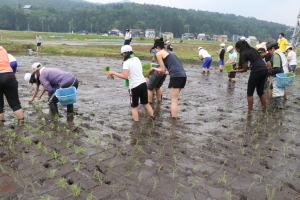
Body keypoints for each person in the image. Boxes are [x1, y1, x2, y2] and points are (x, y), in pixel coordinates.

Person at [108, 45, 154, 121]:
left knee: (134, 107)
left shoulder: (126, 62)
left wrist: (113, 73)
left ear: (123, 54)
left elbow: (125, 76)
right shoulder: (137, 59)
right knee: (146, 103)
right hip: (143, 83)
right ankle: (152, 117)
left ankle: (136, 124)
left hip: (135, 86)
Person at [149, 38, 187, 119]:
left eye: (155, 49)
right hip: (183, 76)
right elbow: (168, 71)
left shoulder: (159, 54)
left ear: (157, 47)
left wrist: (154, 69)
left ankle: (173, 120)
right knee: (175, 99)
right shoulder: (170, 52)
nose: (155, 51)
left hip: (176, 77)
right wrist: (162, 71)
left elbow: (162, 69)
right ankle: (174, 116)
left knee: (173, 100)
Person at [230, 41, 268, 111]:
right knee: (260, 92)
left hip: (256, 70)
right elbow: (247, 66)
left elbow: (245, 69)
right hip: (264, 69)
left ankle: (250, 111)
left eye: (237, 49)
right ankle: (264, 109)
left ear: (239, 48)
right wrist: (238, 67)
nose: (237, 51)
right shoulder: (252, 50)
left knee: (250, 93)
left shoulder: (244, 53)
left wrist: (233, 71)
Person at [0, 46, 24, 123]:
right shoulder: (3, 49)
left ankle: (1, 126)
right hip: (8, 75)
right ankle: (21, 123)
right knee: (15, 103)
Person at [266, 42, 289, 107]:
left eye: (269, 50)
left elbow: (277, 68)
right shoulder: (282, 53)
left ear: (273, 48)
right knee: (280, 90)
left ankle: (278, 107)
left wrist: (268, 72)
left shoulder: (276, 55)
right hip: (284, 74)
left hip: (279, 75)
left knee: (277, 92)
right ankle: (279, 105)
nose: (269, 52)